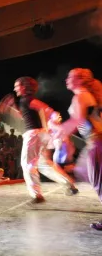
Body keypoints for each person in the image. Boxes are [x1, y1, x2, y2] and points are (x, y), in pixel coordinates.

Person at [0, 76, 78, 203]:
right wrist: (11, 107)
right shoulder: (25, 101)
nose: (15, 88)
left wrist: (52, 115)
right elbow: (27, 116)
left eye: (17, 85)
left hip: (34, 135)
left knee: (27, 164)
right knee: (43, 165)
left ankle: (37, 196)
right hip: (40, 135)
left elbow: (44, 108)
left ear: (24, 87)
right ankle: (69, 184)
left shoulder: (28, 100)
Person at [52, 68, 102, 230]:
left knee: (98, 183)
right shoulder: (87, 95)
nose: (66, 79)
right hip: (96, 142)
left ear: (80, 80)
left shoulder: (80, 96)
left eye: (70, 77)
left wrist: (59, 132)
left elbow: (77, 121)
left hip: (97, 142)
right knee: (88, 174)